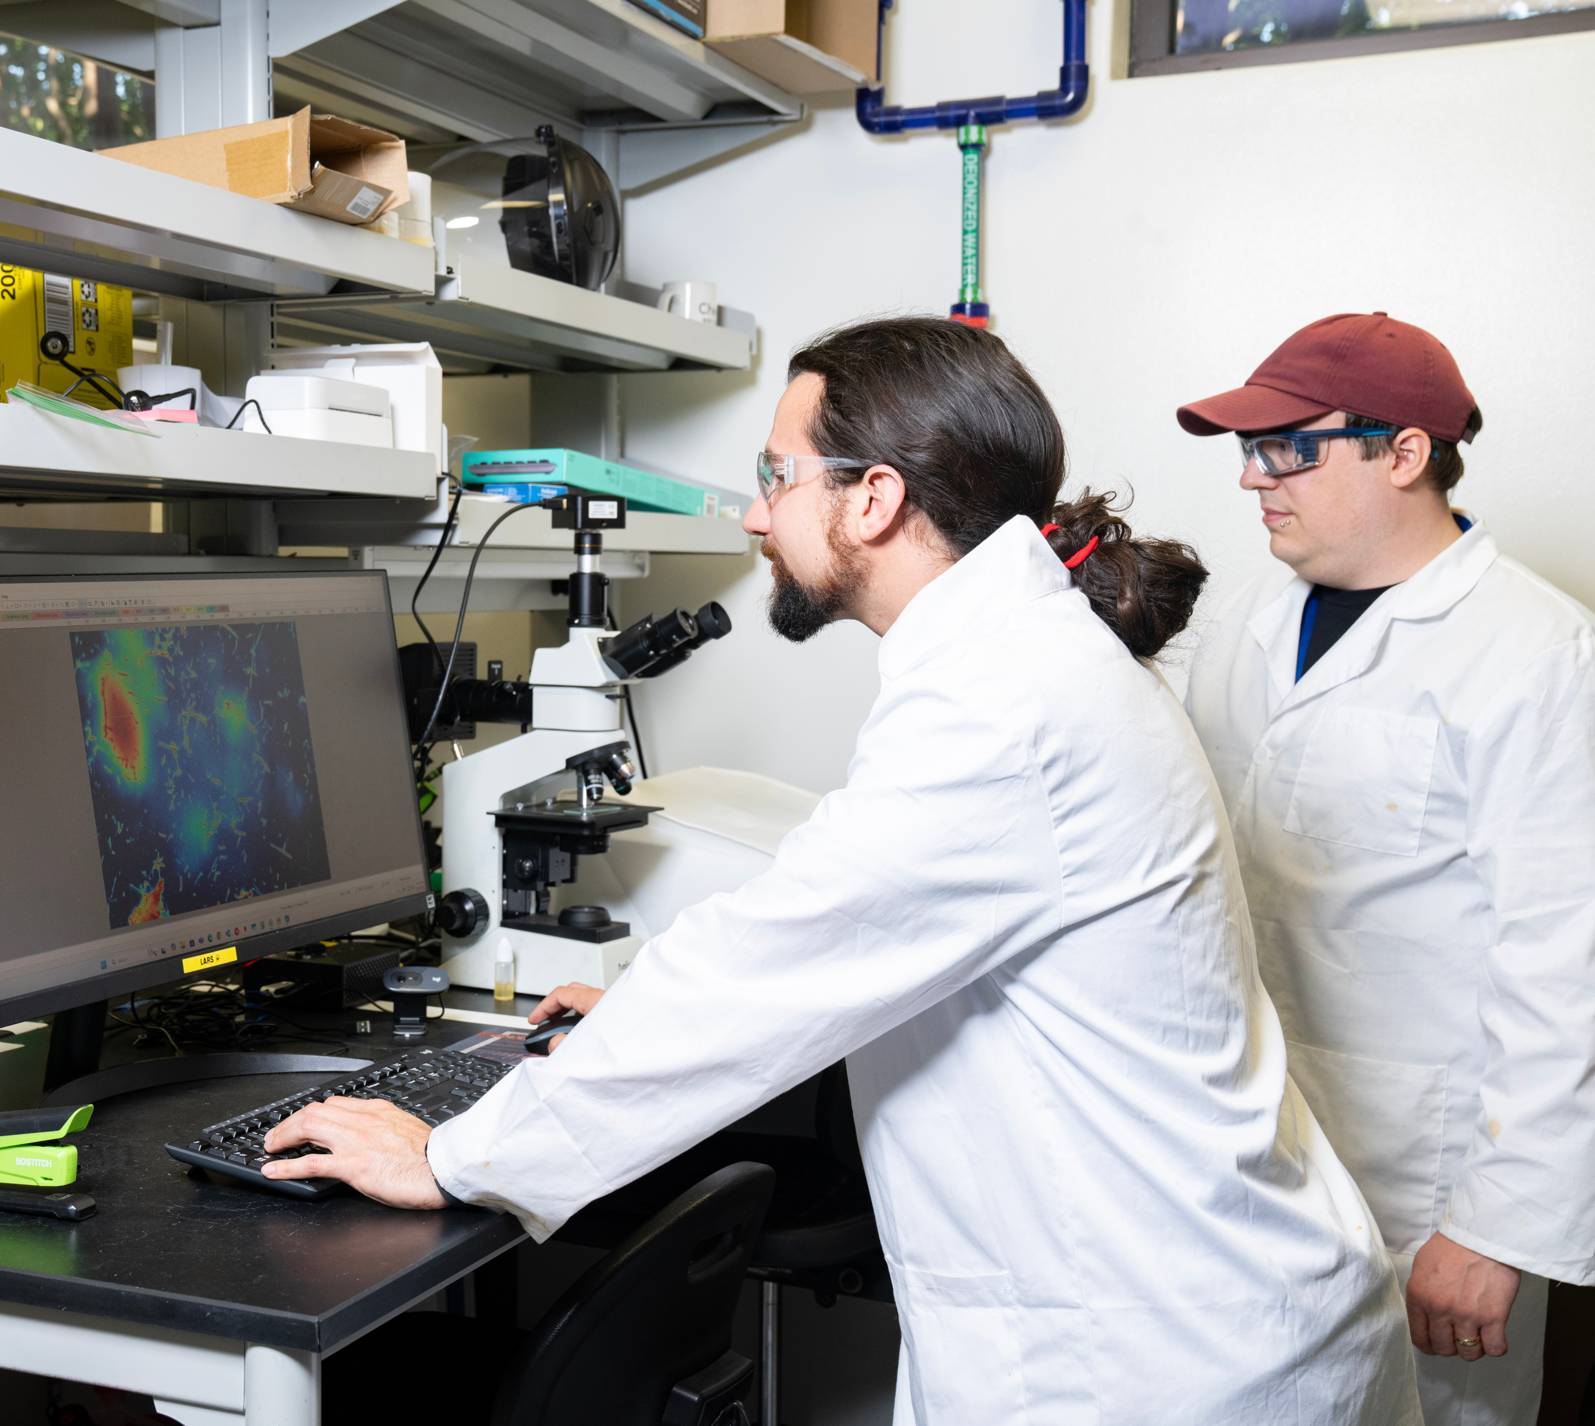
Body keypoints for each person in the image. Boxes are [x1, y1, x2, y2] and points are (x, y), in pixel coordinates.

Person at [265, 316, 1421, 1424]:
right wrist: (638, 1004)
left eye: (778, 478)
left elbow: (767, 960)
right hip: (1176, 1300)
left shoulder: (1001, 707)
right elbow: (833, 927)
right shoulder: (1017, 663)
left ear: (874, 499)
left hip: (1158, 1350)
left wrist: (455, 1154)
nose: (760, 518)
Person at [1177, 312, 1595, 1426]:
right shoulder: (1242, 617)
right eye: (1248, 451)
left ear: (1405, 452)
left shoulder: (1536, 652)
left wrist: (1497, 1228)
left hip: (1425, 1189)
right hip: (1242, 1158)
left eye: (1288, 448)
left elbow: (1565, 961)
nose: (1256, 480)